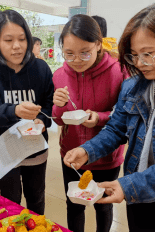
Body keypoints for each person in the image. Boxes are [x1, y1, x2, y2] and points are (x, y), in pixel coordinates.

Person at [64, 4, 155, 232]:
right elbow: (116, 129)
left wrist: (128, 185)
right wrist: (87, 150)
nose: (140, 63)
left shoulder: (114, 72)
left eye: (149, 53)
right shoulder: (133, 87)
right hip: (137, 194)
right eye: (134, 55)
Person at [0, 10, 54, 215]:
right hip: (2, 150)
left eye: (22, 39)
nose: (17, 46)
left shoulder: (41, 68)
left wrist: (43, 121)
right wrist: (15, 110)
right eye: (8, 40)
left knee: (36, 197)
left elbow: (48, 104)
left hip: (34, 148)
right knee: (10, 200)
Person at [52, 14, 128, 232]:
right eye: (69, 54)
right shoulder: (59, 75)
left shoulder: (117, 71)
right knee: (74, 204)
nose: (76, 60)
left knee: (103, 206)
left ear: (98, 44)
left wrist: (100, 117)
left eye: (85, 53)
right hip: (72, 154)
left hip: (107, 156)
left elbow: (123, 116)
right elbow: (58, 119)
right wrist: (58, 105)